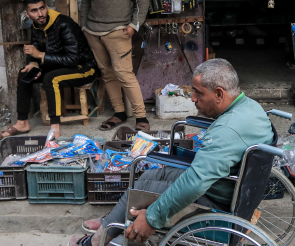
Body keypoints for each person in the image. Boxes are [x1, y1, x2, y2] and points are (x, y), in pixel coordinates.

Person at [70, 59, 274, 246]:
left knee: (142, 191)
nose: (193, 98)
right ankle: (110, 224)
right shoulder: (249, 106)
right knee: (151, 175)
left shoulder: (228, 130)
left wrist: (151, 220)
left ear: (219, 93)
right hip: (227, 186)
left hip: (217, 196)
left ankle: (97, 240)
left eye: (198, 93)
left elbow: (194, 184)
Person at [0, 0, 99, 140]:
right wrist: (33, 62)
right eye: (34, 11)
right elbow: (35, 48)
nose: (40, 14)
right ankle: (22, 122)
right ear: (27, 14)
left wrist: (41, 56)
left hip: (84, 67)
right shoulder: (36, 25)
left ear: (46, 7)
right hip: (56, 65)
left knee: (51, 79)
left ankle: (55, 128)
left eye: (42, 8)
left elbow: (72, 60)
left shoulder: (64, 24)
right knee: (25, 73)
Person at [81, 0, 150, 131]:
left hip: (118, 31)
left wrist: (134, 25)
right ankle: (119, 113)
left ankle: (141, 117)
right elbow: (86, 2)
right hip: (93, 32)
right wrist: (84, 26)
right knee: (108, 74)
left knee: (124, 74)